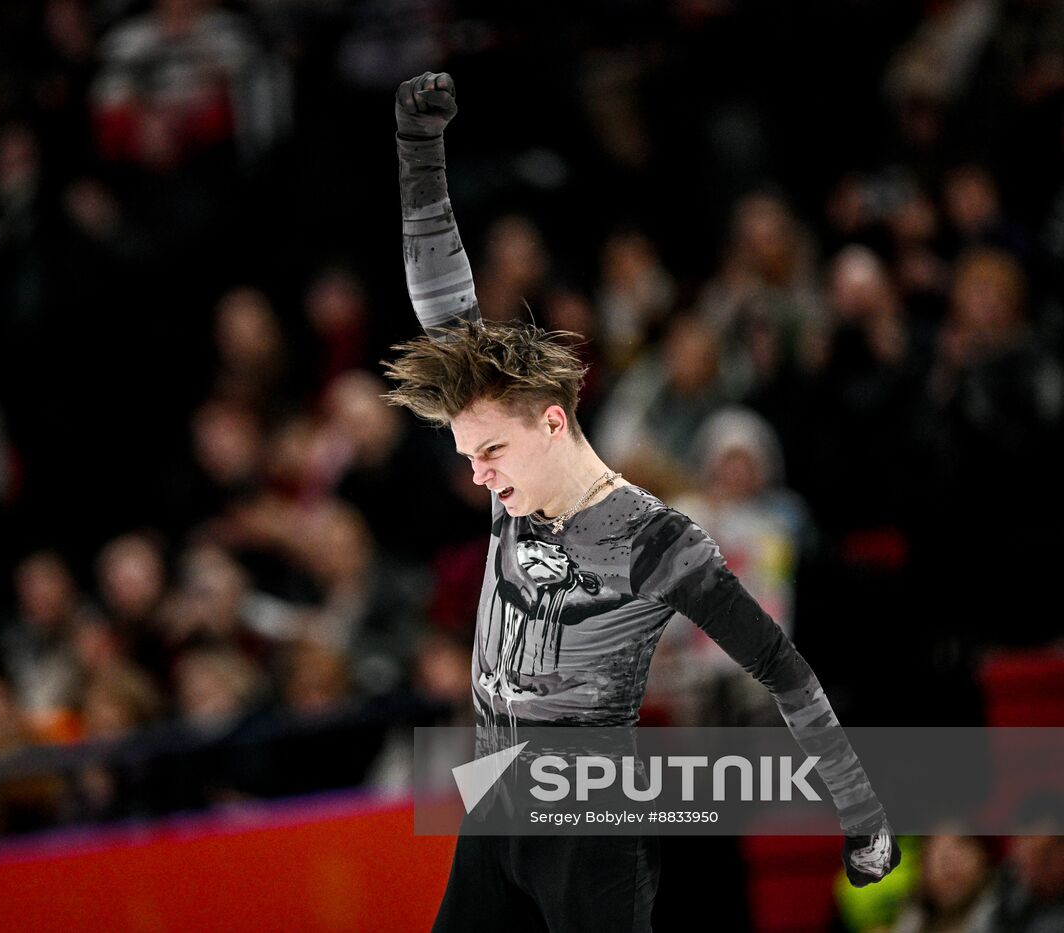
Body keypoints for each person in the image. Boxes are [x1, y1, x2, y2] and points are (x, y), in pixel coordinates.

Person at [384, 71, 901, 932]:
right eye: (468, 456)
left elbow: (782, 668)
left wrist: (861, 811)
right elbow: (442, 302)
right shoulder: (514, 487)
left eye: (489, 452)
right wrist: (419, 154)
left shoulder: (656, 540)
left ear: (552, 422)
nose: (478, 475)